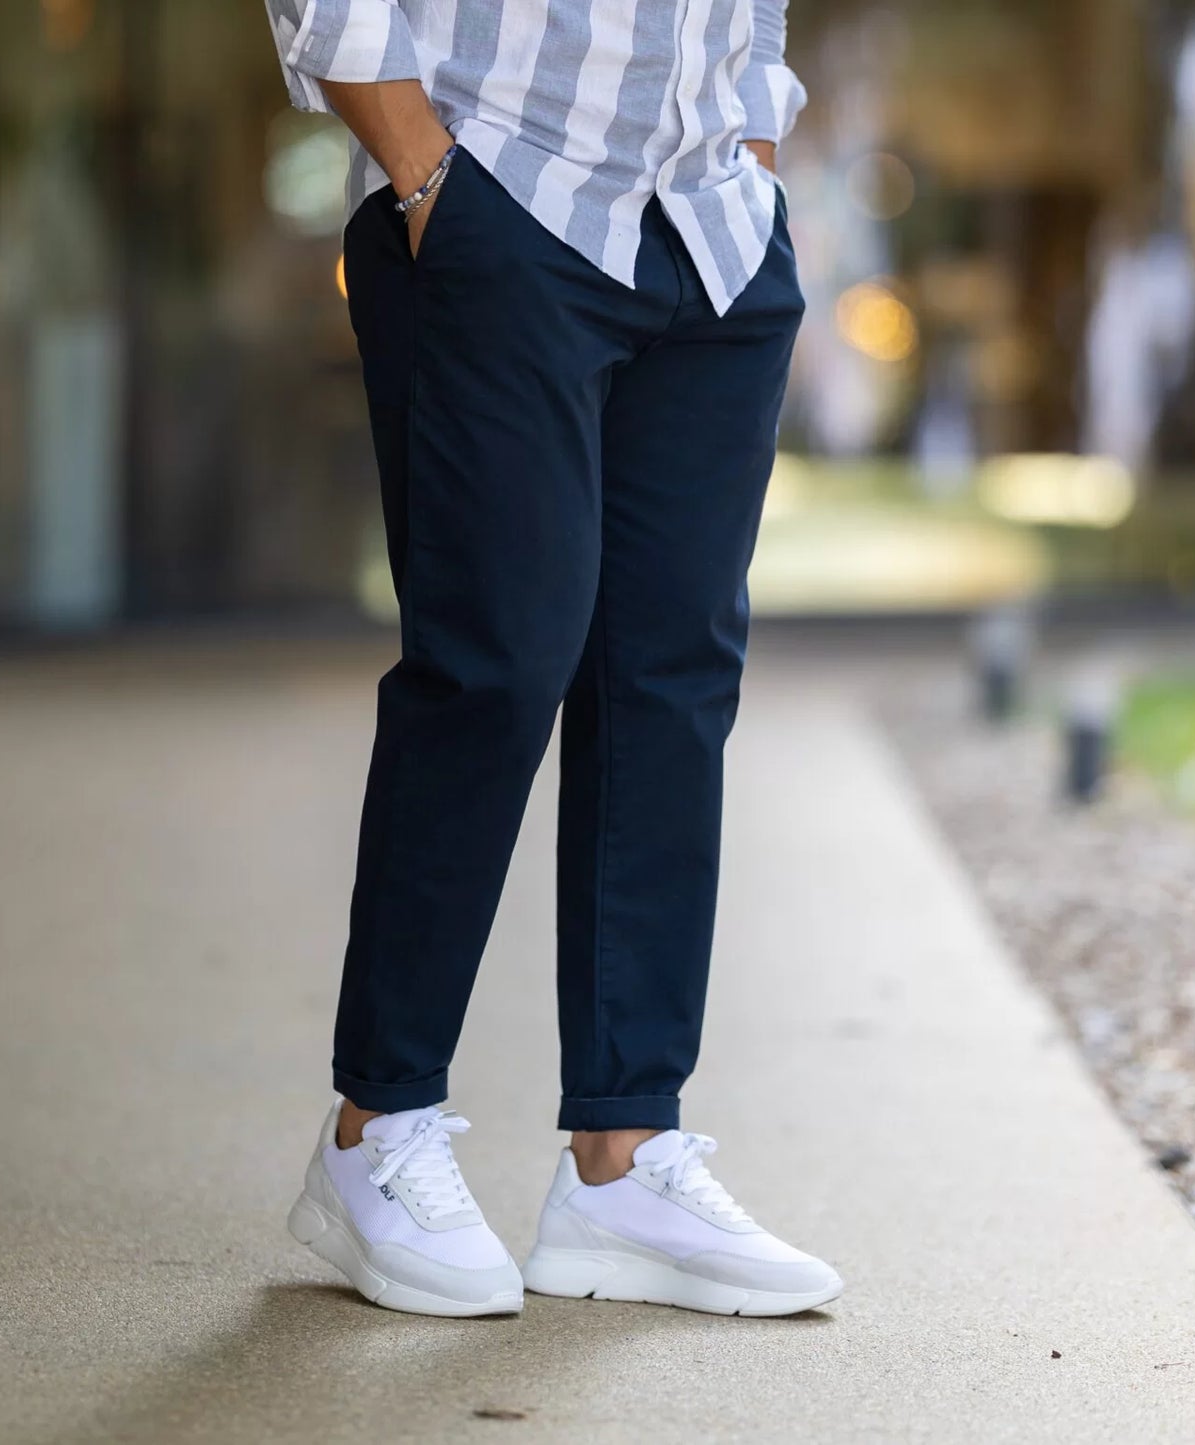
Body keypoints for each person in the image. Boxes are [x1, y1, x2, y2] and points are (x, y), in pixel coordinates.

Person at [264, 0, 843, 1318]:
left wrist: (749, 144)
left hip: (709, 223)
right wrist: (417, 168)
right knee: (497, 662)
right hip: (502, 192)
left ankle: (621, 1160)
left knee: (670, 680)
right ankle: (374, 1132)